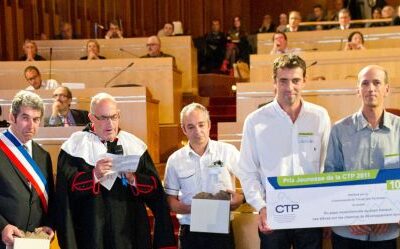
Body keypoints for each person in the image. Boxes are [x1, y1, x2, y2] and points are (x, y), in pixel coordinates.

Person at [55, 93, 176, 249]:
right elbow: (64, 194)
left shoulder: (134, 145)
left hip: (129, 233)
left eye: (114, 117)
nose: (110, 124)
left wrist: (134, 179)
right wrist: (93, 175)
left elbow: (156, 193)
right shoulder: (74, 146)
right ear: (91, 117)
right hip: (91, 233)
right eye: (104, 118)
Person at [235, 54, 331, 249]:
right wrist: (261, 207)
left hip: (311, 211)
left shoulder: (319, 116)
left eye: (295, 80)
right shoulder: (255, 121)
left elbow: (328, 166)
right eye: (283, 81)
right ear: (274, 82)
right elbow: (247, 171)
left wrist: (326, 209)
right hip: (273, 213)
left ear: (304, 81)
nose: (290, 87)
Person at [324, 65, 400, 249]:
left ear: (387, 89)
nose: (371, 88)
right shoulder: (340, 130)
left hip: (386, 231)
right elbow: (331, 176)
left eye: (377, 82)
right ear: (358, 90)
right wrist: (347, 214)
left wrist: (392, 213)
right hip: (347, 230)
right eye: (365, 83)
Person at [164, 103, 244, 249]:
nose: (198, 131)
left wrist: (241, 198)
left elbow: (251, 179)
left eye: (201, 125)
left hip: (222, 230)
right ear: (184, 129)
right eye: (191, 127)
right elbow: (170, 200)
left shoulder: (227, 151)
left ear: (209, 125)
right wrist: (196, 209)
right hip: (190, 231)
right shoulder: (175, 160)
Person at [0, 90, 55, 249]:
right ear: (12, 117)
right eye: (25, 118)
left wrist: (49, 225)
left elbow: (50, 198)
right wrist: (2, 226)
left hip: (34, 242)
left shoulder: (43, 155)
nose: (31, 125)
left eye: (36, 119)